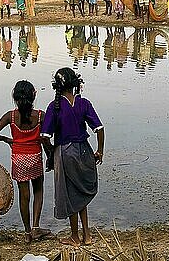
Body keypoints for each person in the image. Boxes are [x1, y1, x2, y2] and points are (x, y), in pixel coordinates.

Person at [41, 68, 105, 247]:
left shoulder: (55, 106)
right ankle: (88, 234)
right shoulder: (83, 103)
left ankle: (75, 237)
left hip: (65, 151)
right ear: (75, 84)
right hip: (84, 149)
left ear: (57, 86)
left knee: (70, 194)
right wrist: (100, 150)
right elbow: (99, 129)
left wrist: (51, 153)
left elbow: (44, 136)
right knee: (81, 193)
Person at [0, 81, 52, 243]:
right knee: (38, 191)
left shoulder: (10, 116)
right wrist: (50, 156)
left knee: (24, 197)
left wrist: (7, 139)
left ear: (14, 97)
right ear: (34, 95)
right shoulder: (40, 116)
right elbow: (45, 139)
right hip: (35, 157)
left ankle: (27, 232)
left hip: (18, 159)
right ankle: (36, 227)